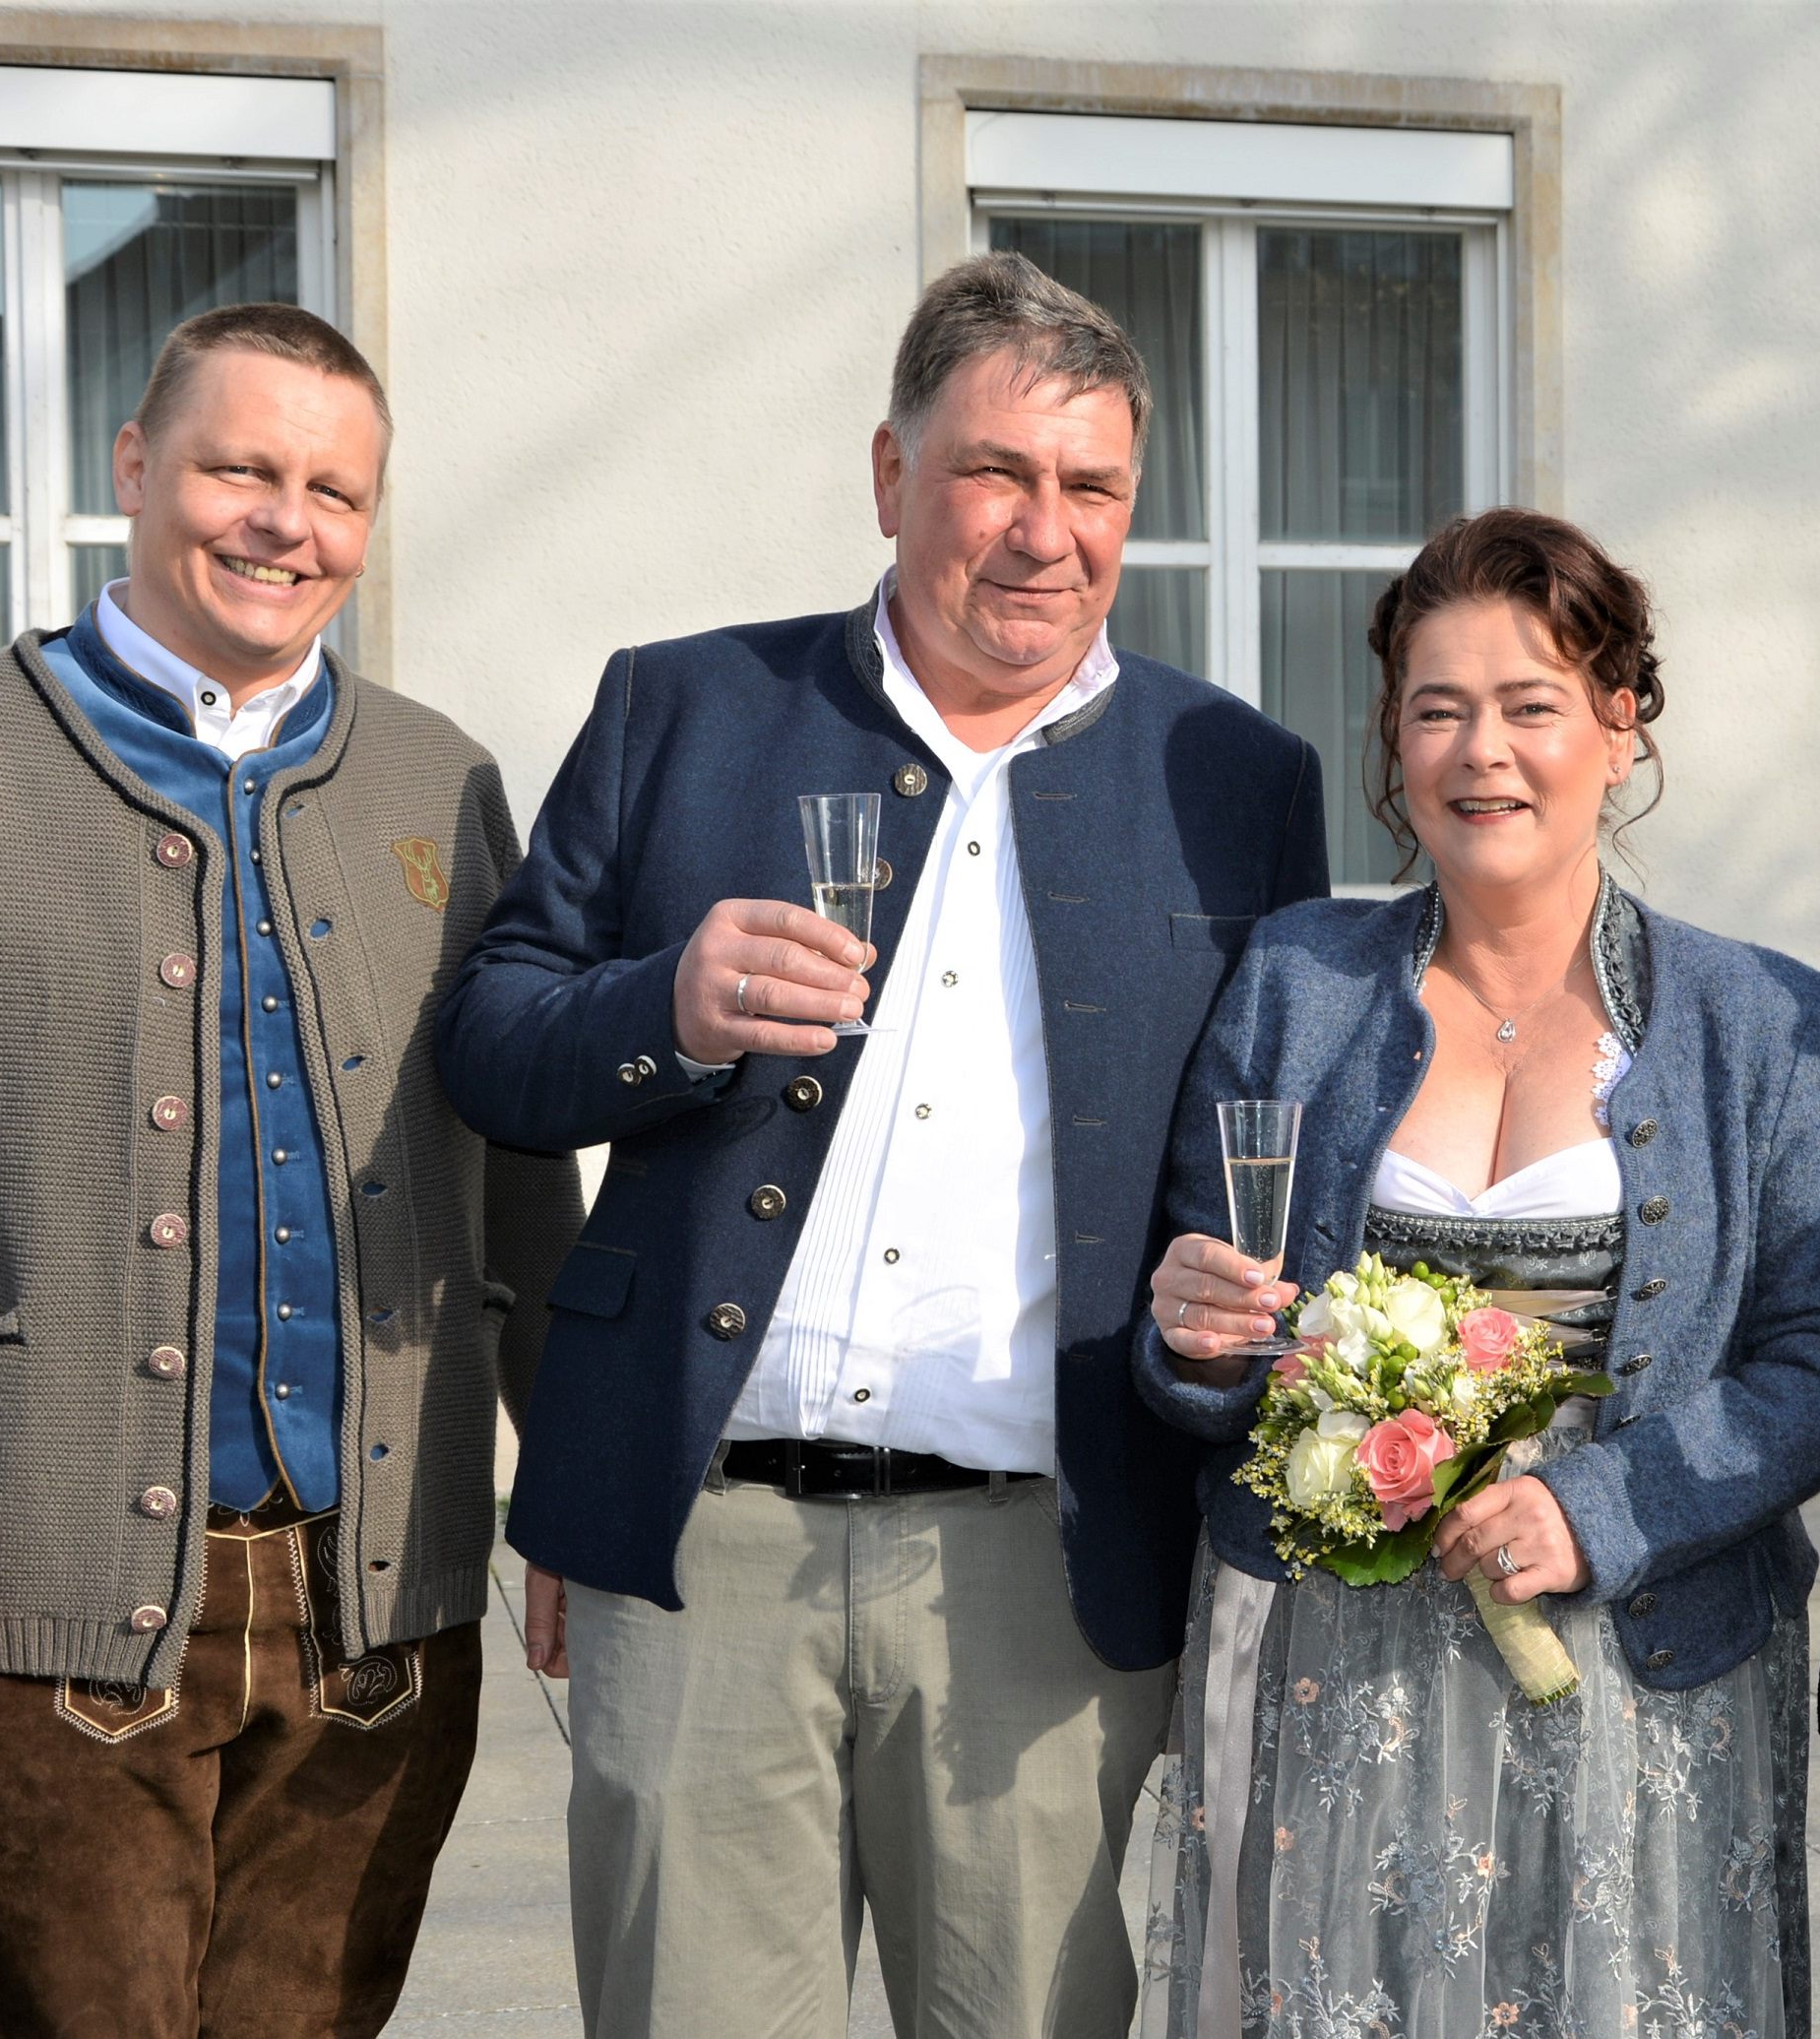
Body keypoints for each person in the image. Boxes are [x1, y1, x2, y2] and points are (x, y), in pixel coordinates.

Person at [434, 250, 1327, 2038]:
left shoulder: (1234, 774)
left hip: (1043, 1572)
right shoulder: (683, 705)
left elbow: (1262, 1132)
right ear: (889, 472)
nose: (1042, 532)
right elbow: (490, 1046)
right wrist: (667, 1013)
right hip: (706, 1543)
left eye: (1092, 489)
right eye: (997, 472)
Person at [0, 302, 580, 2034]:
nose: (289, 523)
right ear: (134, 467)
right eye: (241, 468)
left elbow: (519, 1187)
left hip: (386, 1608)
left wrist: (568, 1490)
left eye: (336, 492)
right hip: (43, 1611)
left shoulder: (442, 780)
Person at [1132, 508, 1820, 2038]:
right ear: (1393, 743)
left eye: (1531, 703)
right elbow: (1206, 1309)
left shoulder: (1760, 1022)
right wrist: (1199, 1338)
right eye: (1437, 708)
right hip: (1327, 1654)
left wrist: (1597, 1508)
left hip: (1637, 1656)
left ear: (1620, 728)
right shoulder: (1294, 981)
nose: (1482, 752)